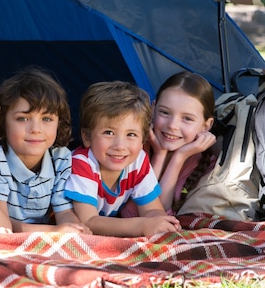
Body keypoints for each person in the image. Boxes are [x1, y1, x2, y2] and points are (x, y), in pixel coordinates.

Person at [0, 67, 91, 234]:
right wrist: (54, 232)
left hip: (42, 237)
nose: (35, 129)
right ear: (3, 122)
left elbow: (64, 212)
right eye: (23, 118)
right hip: (5, 237)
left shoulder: (60, 157)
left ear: (58, 123)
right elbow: (1, 225)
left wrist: (75, 229)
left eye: (46, 119)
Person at [64, 81, 181, 237]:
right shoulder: (81, 162)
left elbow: (152, 209)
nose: (120, 145)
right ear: (87, 137)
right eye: (109, 132)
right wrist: (143, 225)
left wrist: (159, 222)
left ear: (143, 140)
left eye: (131, 135)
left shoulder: (138, 161)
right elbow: (90, 221)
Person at [120, 71, 217, 217]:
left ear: (206, 125)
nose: (172, 125)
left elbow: (160, 216)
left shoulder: (205, 165)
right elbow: (131, 214)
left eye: (187, 119)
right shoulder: (132, 146)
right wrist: (159, 156)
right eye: (165, 112)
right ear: (153, 109)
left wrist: (179, 158)